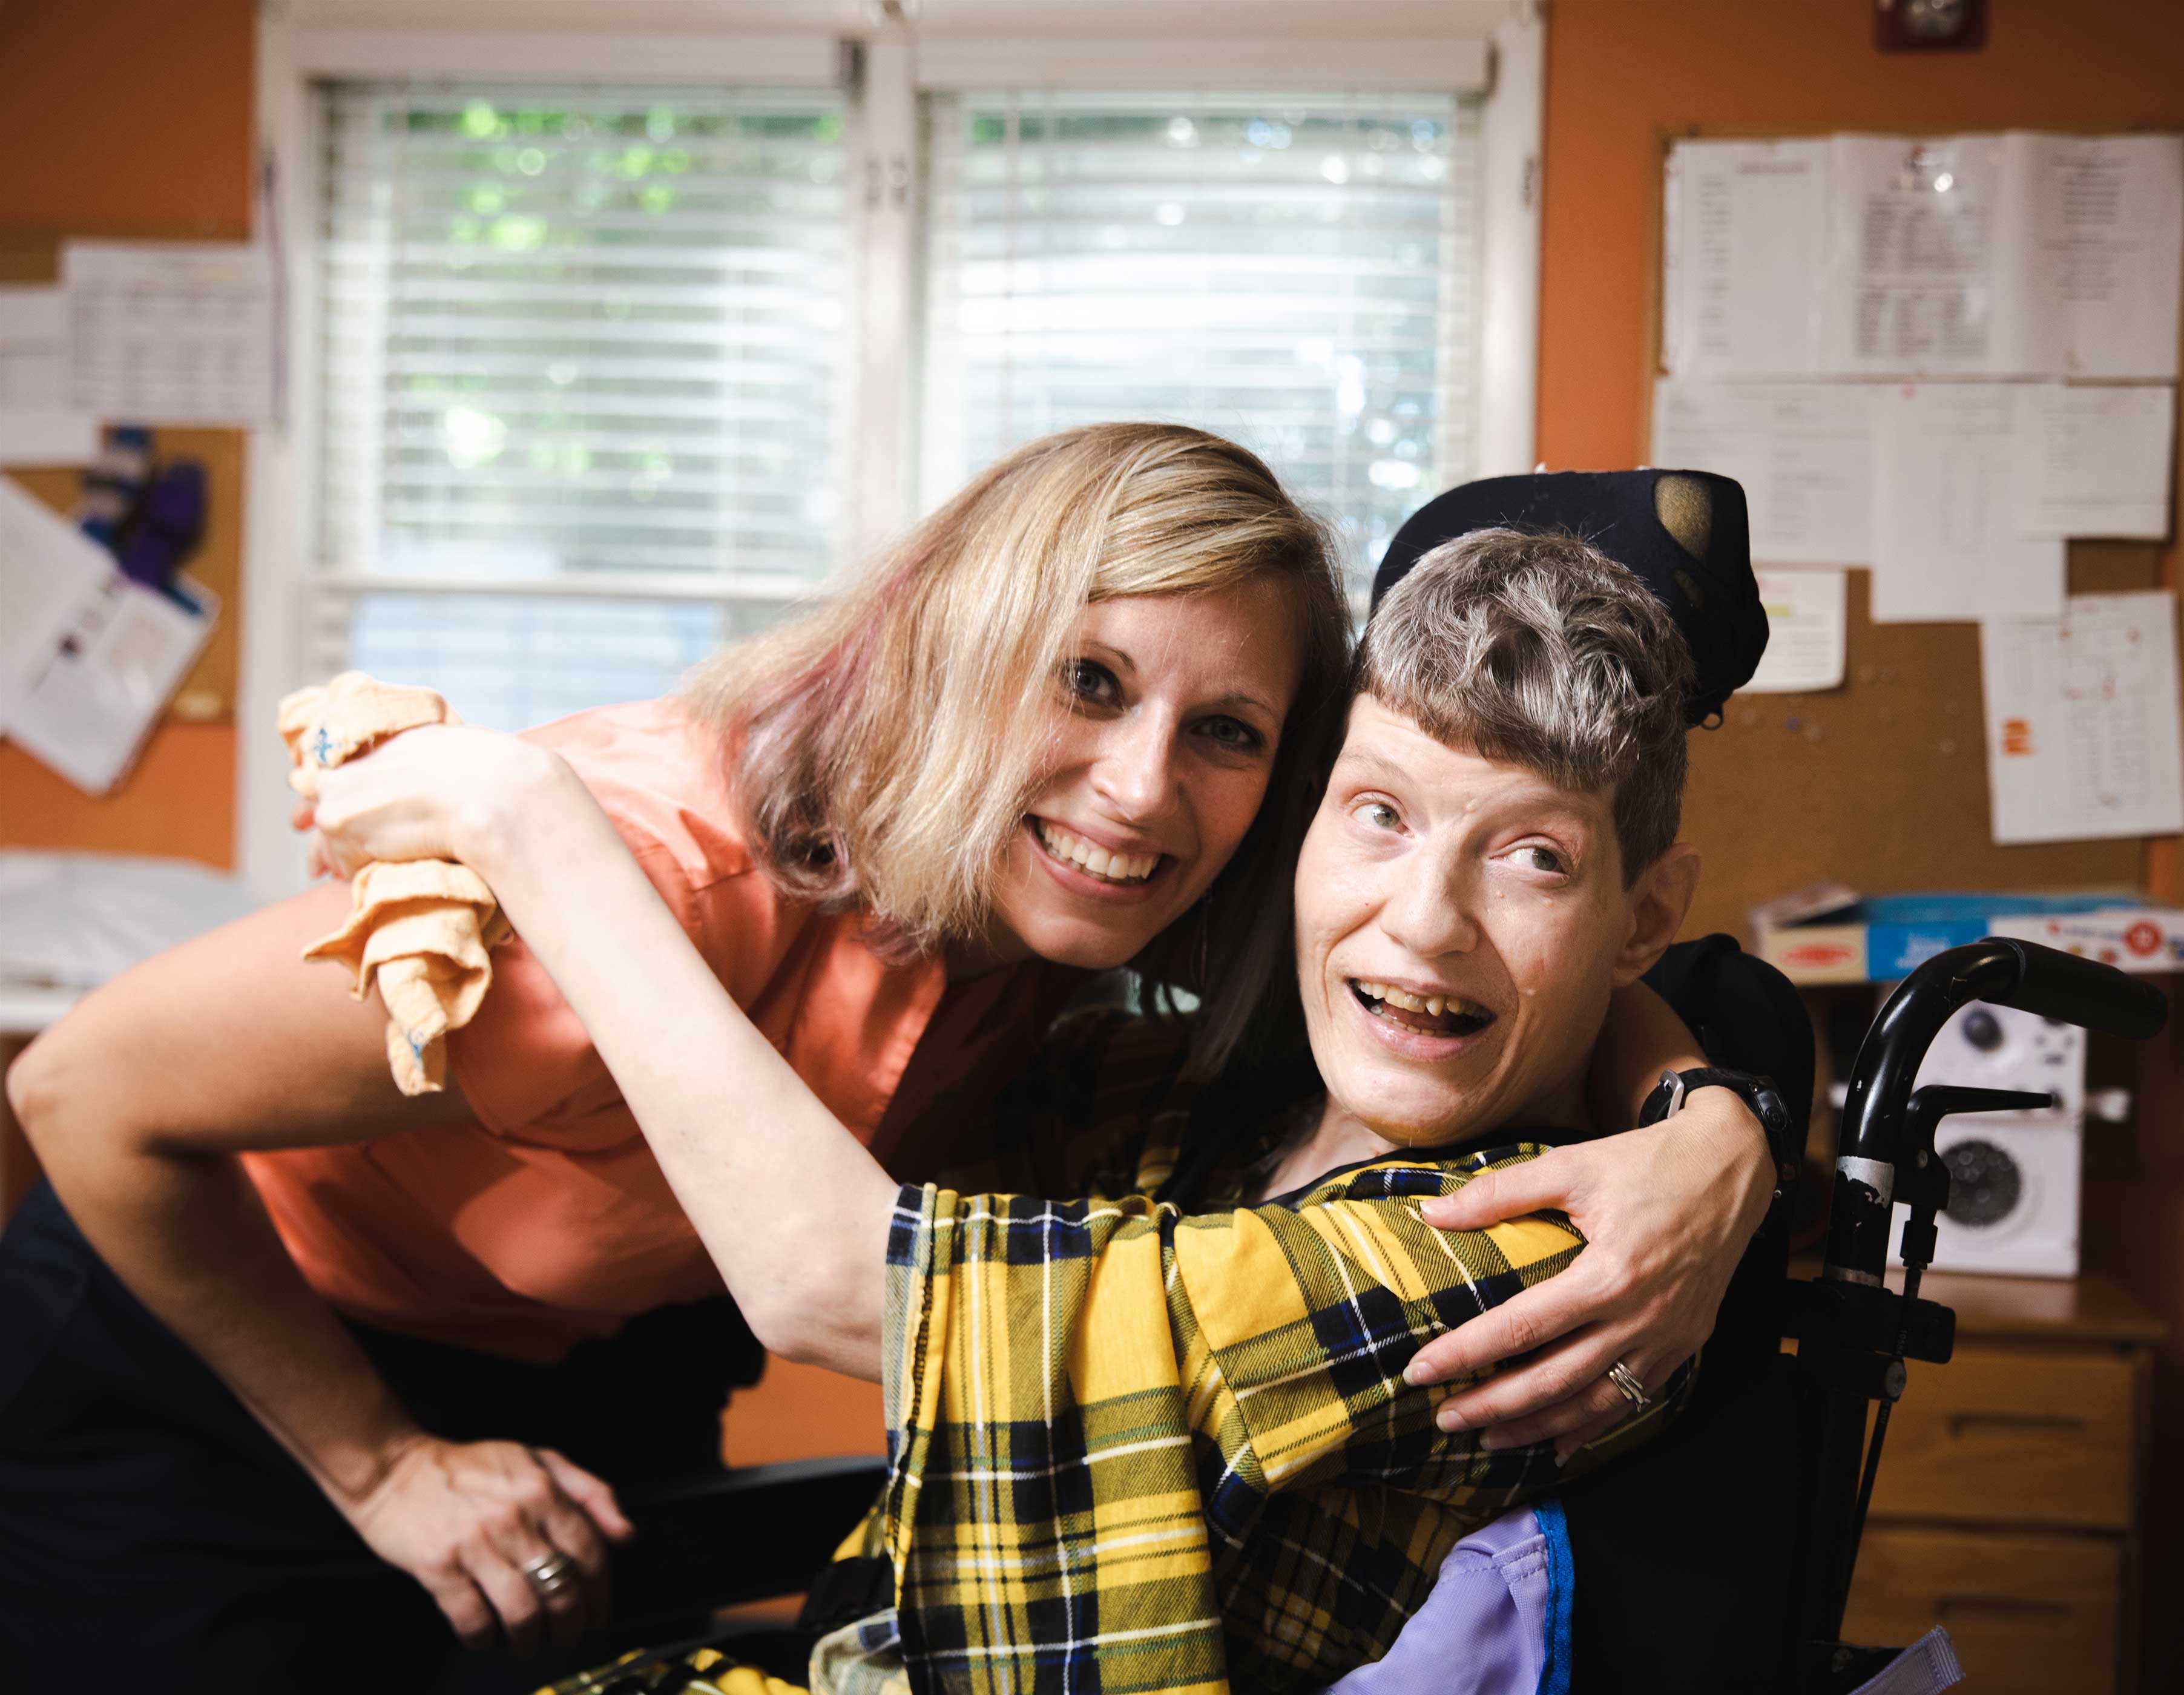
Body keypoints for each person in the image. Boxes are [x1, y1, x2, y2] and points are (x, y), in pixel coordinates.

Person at [0, 430, 1765, 1691]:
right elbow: (81, 1093)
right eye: (1084, 682)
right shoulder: (646, 894)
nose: (1145, 791)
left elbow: (1477, 941)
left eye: (1225, 734)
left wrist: (1711, 1125)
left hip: (579, 1387)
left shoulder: (1093, 951)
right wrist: (530, 830)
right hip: (225, 1363)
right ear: (949, 650)